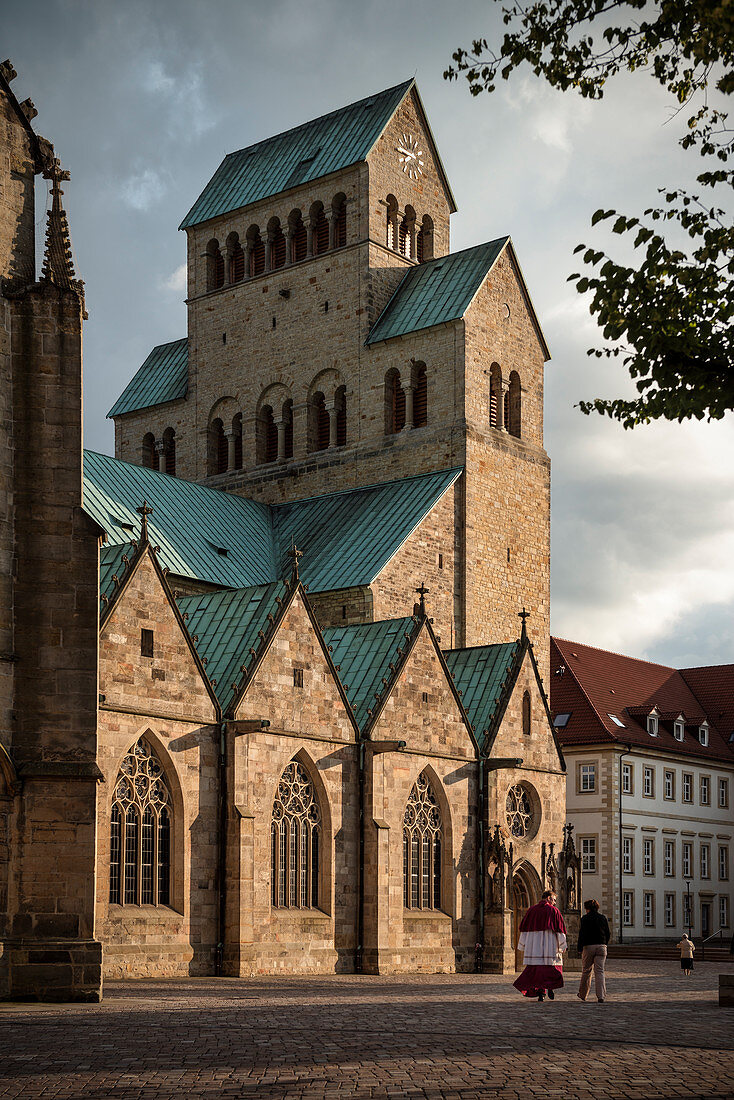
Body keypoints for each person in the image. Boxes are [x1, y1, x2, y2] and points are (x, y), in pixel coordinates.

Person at [513, 889, 567, 1002]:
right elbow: (560, 930)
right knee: (551, 969)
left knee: (538, 972)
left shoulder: (531, 910)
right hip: (550, 947)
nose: (555, 902)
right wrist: (562, 945)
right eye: (554, 900)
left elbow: (524, 929)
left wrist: (522, 945)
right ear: (548, 898)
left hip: (534, 948)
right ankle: (550, 987)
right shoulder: (554, 911)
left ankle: (541, 993)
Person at [576, 898, 611, 1003]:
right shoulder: (602, 918)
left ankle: (583, 995)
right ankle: (601, 996)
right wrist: (604, 943)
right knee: (600, 971)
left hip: (589, 946)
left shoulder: (585, 919)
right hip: (601, 946)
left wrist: (579, 948)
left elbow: (581, 934)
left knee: (586, 971)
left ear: (587, 909)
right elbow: (608, 933)